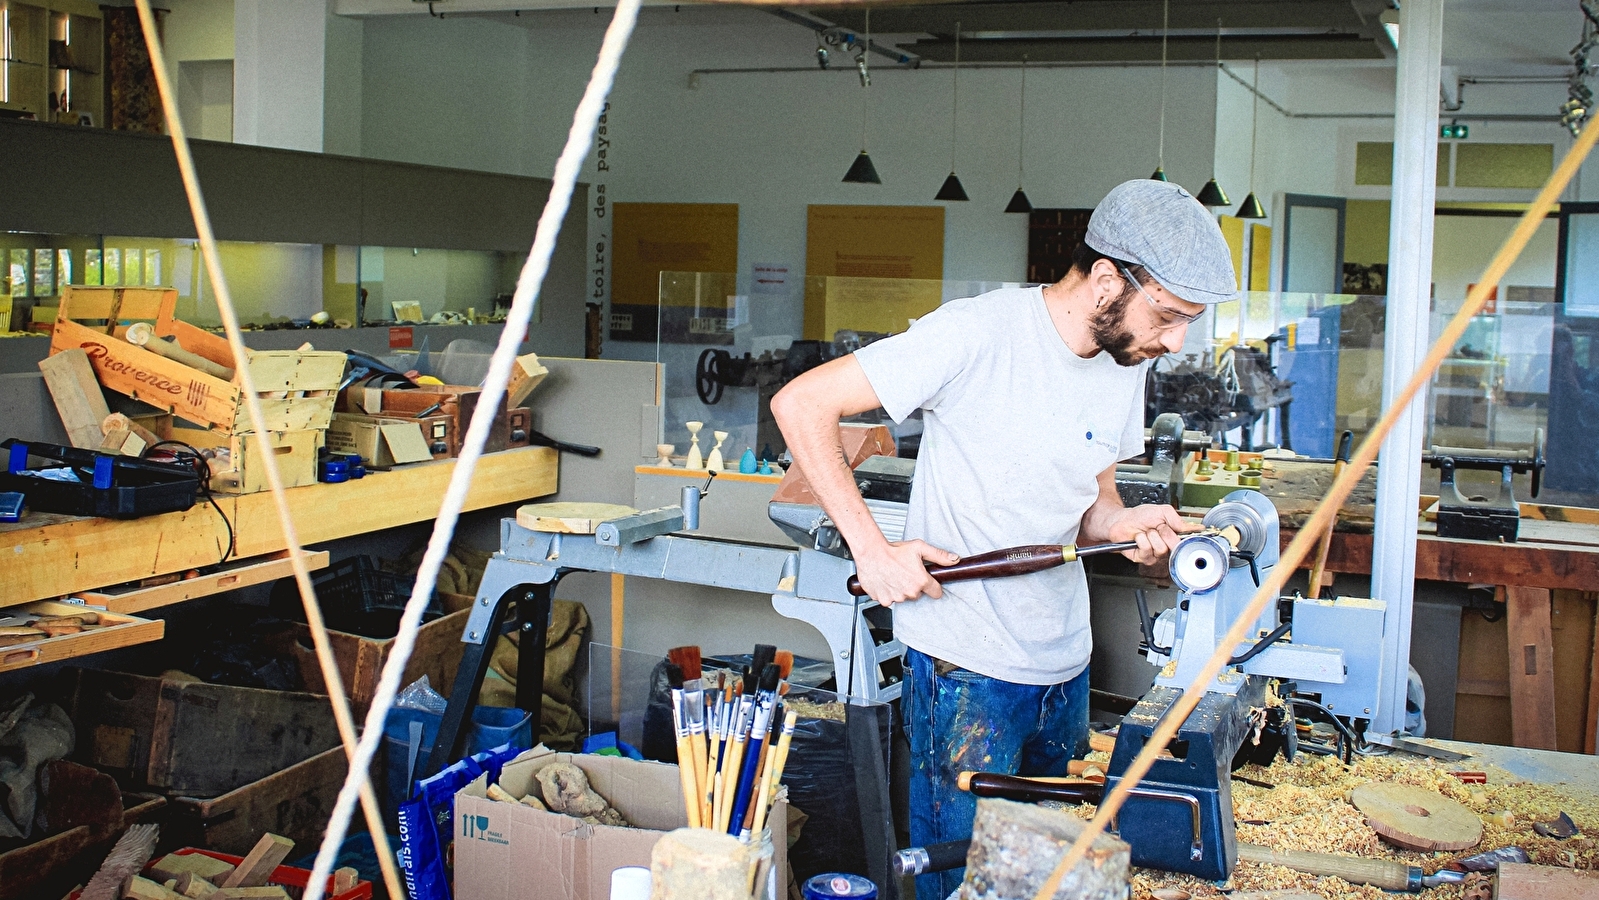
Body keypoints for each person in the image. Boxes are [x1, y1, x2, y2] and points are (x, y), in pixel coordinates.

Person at [770, 179, 1238, 898]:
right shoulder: (977, 332)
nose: (1174, 341)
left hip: (1064, 663)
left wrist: (1123, 527)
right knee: (957, 880)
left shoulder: (1122, 361)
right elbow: (801, 403)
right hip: (967, 669)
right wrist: (871, 550)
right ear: (1108, 279)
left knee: (1052, 877)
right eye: (1169, 316)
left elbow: (1093, 502)